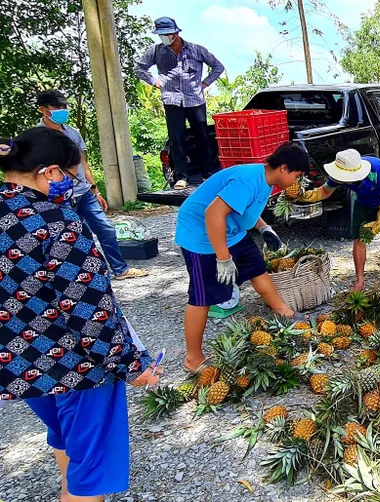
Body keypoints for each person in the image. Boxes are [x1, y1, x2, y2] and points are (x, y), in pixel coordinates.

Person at [0, 128, 160, 501]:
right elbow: (89, 312)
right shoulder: (59, 224)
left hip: (19, 361)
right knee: (90, 471)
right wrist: (131, 366)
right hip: (77, 365)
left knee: (64, 436)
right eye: (72, 176)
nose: (74, 184)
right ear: (50, 172)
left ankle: (67, 487)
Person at [176, 142, 307, 372]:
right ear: (284, 168)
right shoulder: (248, 180)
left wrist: (265, 228)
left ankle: (282, 310)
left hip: (231, 231)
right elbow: (213, 213)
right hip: (201, 235)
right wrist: (223, 258)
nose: (296, 183)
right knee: (202, 295)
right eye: (297, 176)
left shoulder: (266, 180)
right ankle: (193, 358)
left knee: (256, 267)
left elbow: (243, 208)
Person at [36, 90, 150, 281]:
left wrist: (95, 190)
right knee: (72, 237)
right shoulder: (36, 137)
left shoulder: (72, 133)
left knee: (105, 228)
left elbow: (84, 163)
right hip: (59, 196)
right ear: (43, 110)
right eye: (57, 107)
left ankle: (120, 269)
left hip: (84, 192)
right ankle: (79, 276)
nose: (62, 110)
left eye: (64, 106)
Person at [135, 16, 224, 190]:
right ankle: (182, 177)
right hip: (172, 100)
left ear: (176, 32)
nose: (165, 37)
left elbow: (218, 67)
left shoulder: (196, 50)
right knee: (177, 140)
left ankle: (208, 173)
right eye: (161, 34)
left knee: (202, 137)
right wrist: (154, 82)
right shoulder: (155, 51)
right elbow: (139, 68)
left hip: (195, 99)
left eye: (168, 33)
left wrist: (205, 83)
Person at [300, 149, 380, 292]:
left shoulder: (378, 170)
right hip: (362, 204)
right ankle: (360, 282)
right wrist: (306, 196)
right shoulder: (339, 173)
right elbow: (325, 191)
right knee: (358, 239)